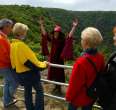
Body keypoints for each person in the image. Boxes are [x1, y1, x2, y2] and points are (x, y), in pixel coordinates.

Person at [65, 27, 105, 110]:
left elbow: (74, 84)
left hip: (79, 97)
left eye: (82, 39)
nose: (81, 41)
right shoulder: (100, 57)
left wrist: (68, 97)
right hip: (91, 94)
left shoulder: (80, 62)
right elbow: (101, 74)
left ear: (86, 42)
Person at [10, 22, 48, 110]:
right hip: (30, 75)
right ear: (21, 33)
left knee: (27, 91)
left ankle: (29, 108)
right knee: (39, 91)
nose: (26, 34)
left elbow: (14, 62)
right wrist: (44, 65)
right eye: (25, 32)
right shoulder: (21, 45)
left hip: (20, 74)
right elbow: (30, 62)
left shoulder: (12, 45)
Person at [39, 17, 78, 95]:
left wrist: (74, 27)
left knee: (59, 74)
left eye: (57, 33)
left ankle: (59, 88)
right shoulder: (52, 39)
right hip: (52, 59)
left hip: (59, 60)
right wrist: (41, 25)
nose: (55, 34)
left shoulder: (62, 41)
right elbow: (45, 34)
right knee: (53, 74)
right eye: (55, 33)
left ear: (59, 34)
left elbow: (69, 37)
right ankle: (55, 87)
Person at [0, 18, 18, 107]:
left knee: (7, 82)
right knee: (14, 82)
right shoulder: (1, 38)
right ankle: (7, 99)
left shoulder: (3, 37)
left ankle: (6, 101)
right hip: (4, 65)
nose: (11, 29)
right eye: (10, 27)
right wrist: (13, 62)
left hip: (4, 65)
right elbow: (3, 56)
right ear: (4, 27)